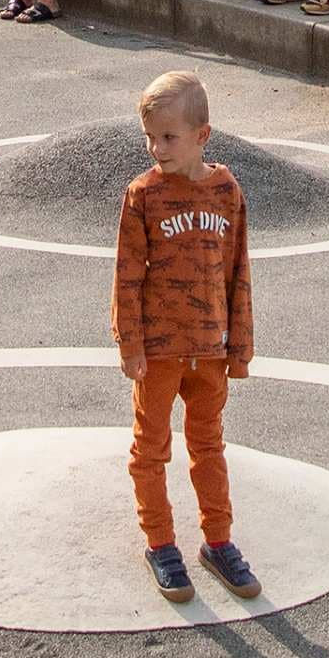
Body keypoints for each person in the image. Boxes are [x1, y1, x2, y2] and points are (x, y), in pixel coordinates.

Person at [113, 71, 258, 604]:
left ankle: (217, 541)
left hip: (211, 352)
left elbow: (238, 269)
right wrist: (129, 344)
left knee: (209, 446)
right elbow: (126, 275)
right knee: (150, 449)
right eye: (150, 136)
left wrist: (238, 348)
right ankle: (161, 543)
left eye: (169, 137)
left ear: (203, 135)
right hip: (156, 353)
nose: (157, 148)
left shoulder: (227, 191)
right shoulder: (142, 195)